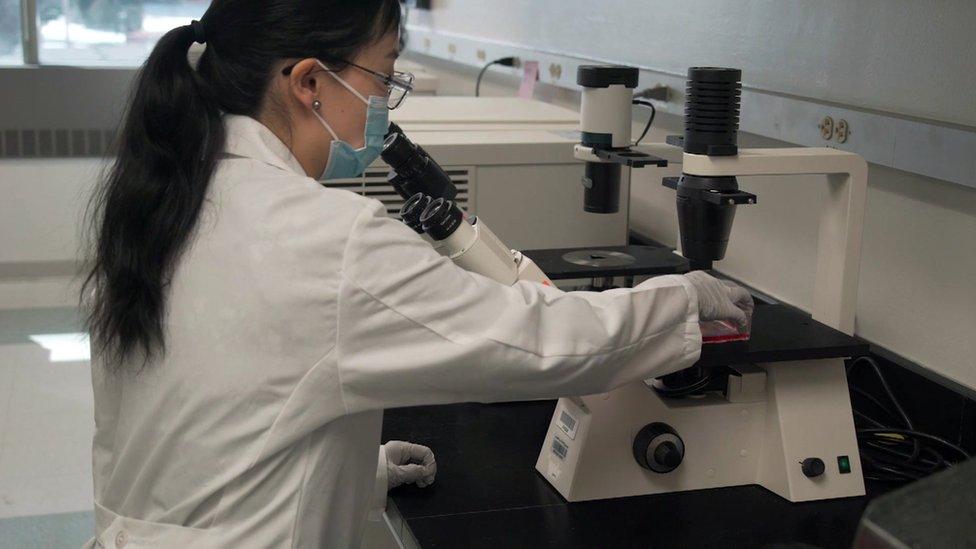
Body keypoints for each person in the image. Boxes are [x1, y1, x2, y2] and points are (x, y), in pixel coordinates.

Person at [81, 1, 753, 547]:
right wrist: (681, 300)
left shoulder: (166, 196)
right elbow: (537, 341)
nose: (387, 104)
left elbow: (191, 412)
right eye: (384, 77)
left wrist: (349, 471)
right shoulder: (323, 238)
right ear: (309, 82)